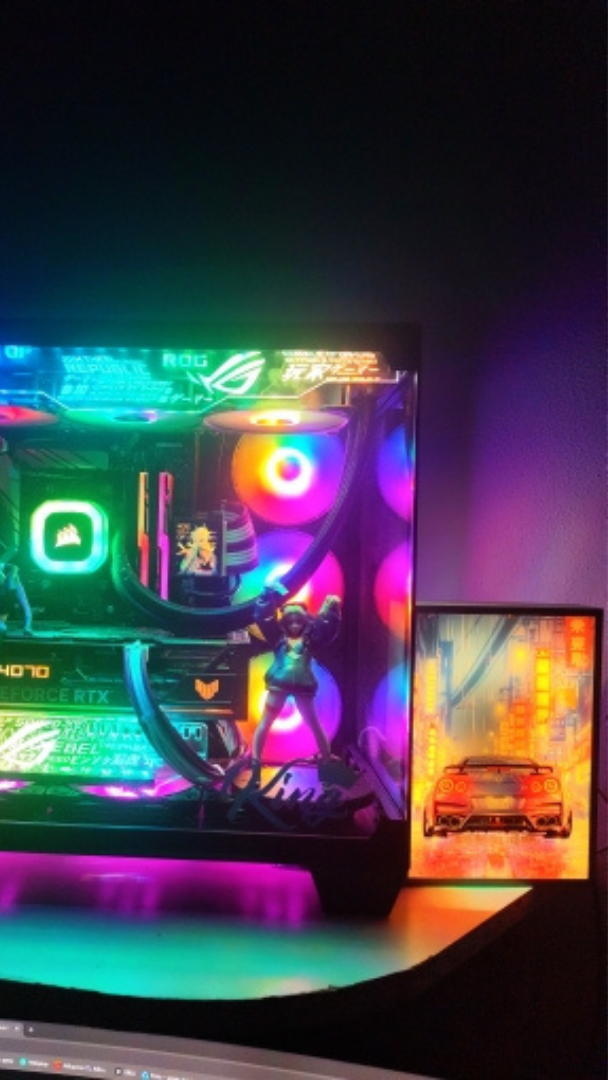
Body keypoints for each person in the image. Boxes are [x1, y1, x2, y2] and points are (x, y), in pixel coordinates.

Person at [251, 586, 341, 774]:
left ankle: (327, 762)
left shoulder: (310, 640)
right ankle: (255, 761)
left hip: (302, 686)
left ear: (305, 621)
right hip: (280, 685)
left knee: (314, 725)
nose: (294, 625)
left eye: (298, 621)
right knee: (266, 722)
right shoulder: (278, 638)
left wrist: (331, 610)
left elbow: (326, 629)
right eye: (290, 621)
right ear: (284, 622)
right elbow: (264, 619)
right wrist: (266, 597)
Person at [0, 549, 33, 636]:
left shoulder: (12, 583)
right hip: (8, 590)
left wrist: (27, 627)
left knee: (24, 604)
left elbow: (25, 606)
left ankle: (27, 626)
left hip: (11, 585)